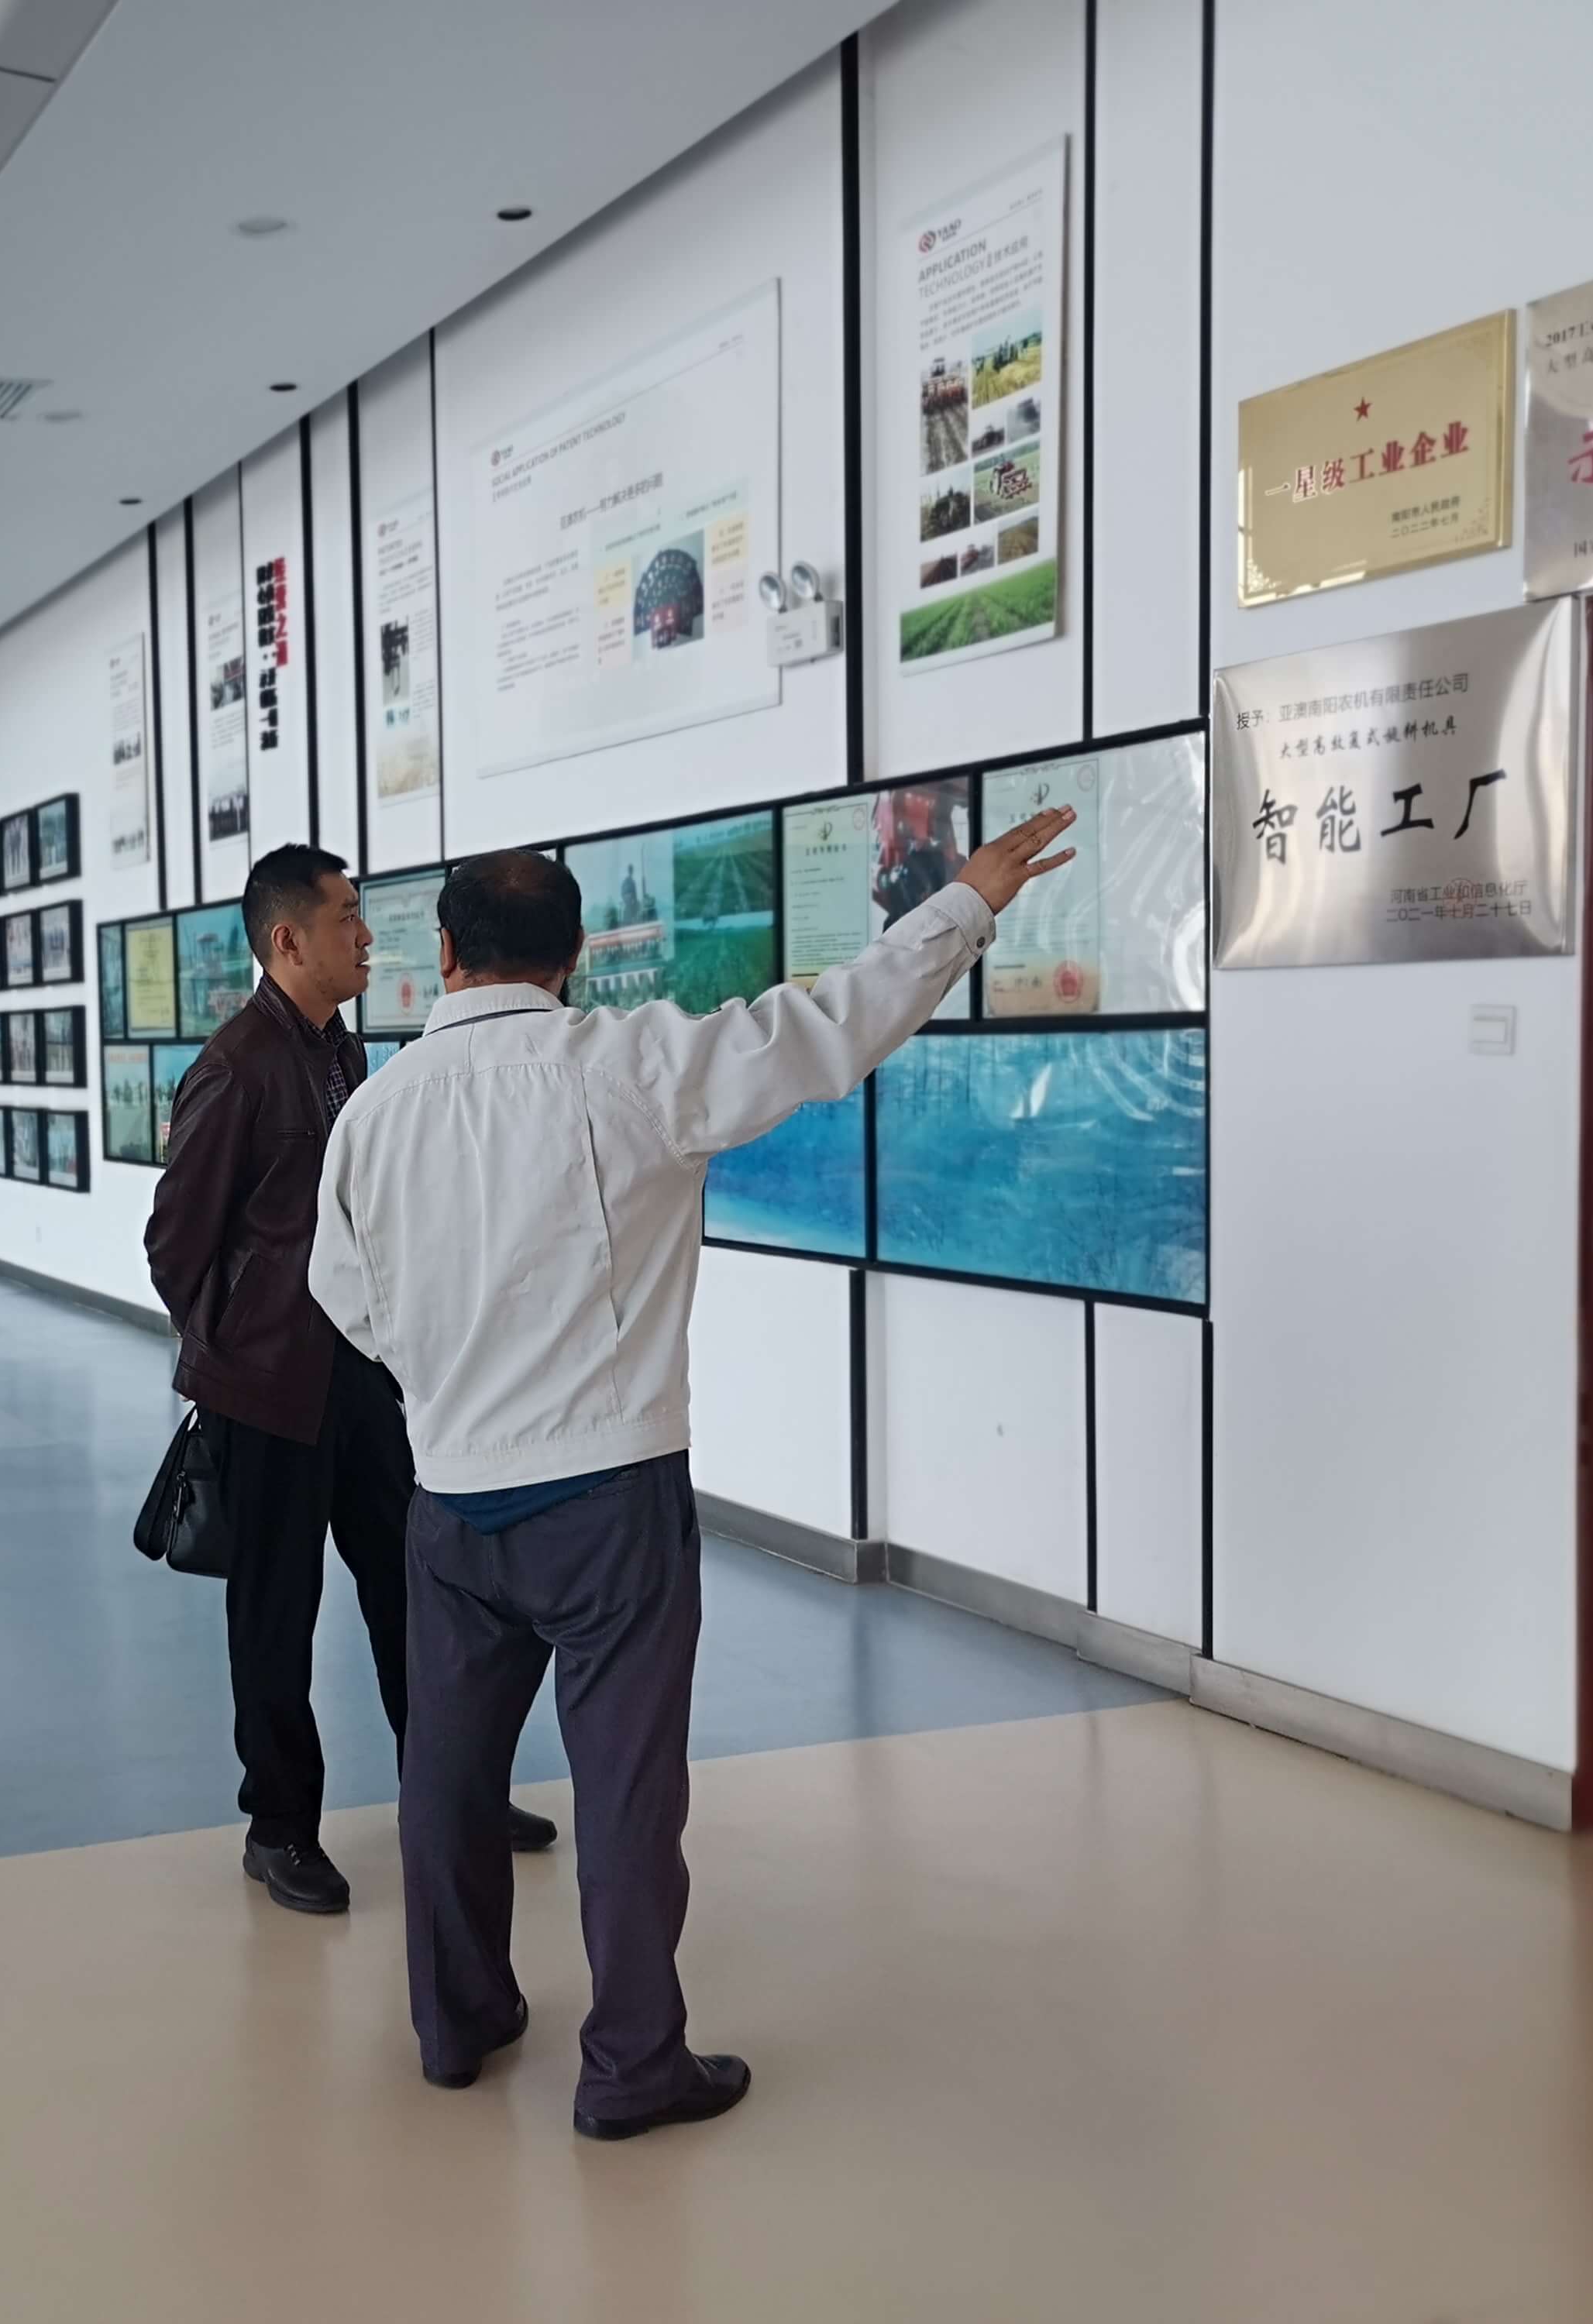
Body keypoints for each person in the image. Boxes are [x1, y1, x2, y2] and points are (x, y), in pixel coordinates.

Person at [308, 810, 1076, 2140]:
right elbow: (827, 1028)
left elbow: (344, 1294)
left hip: (451, 1500)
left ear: (444, 953)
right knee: (623, 1793)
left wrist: (446, 1385)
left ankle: (457, 2022)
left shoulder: (373, 1111)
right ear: (575, 955)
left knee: (446, 1776)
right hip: (610, 1498)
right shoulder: (635, 1065)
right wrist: (963, 903)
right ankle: (630, 2067)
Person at [146, 843, 558, 1918]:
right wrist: (236, 1357)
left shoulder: (342, 1052)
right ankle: (279, 1828)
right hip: (267, 1396)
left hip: (363, 1378)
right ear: (288, 940)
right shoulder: (237, 1067)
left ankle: (452, 1795)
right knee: (275, 1620)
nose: (367, 936)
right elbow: (174, 1245)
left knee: (414, 1597)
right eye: (345, 918)